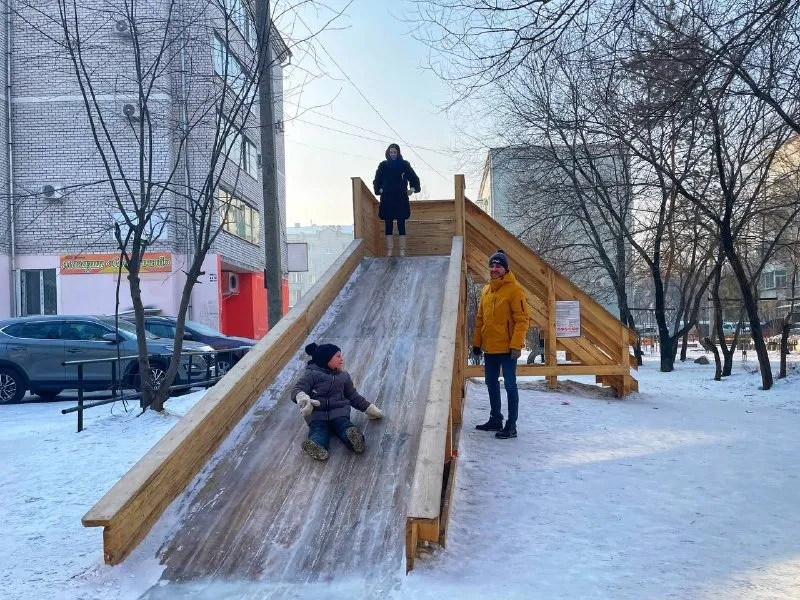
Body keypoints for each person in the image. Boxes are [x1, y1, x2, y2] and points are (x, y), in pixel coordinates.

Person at [471, 249, 529, 439]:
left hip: (507, 348)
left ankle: (511, 425)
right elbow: (480, 319)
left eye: (498, 266)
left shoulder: (515, 290)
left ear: (505, 269)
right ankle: (495, 418)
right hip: (491, 348)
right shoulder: (486, 290)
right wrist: (477, 343)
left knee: (510, 385)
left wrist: (516, 345)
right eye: (492, 265)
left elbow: (522, 319)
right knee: (490, 383)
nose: (494, 269)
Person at [291, 342, 383, 461]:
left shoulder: (343, 376)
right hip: (317, 414)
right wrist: (302, 397)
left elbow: (353, 396)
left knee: (344, 425)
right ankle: (316, 446)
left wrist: (369, 408)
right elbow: (297, 389)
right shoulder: (311, 374)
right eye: (338, 356)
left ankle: (354, 439)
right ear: (326, 359)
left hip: (339, 411)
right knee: (319, 431)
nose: (342, 359)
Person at [373, 143, 421, 257]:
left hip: (401, 198)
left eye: (395, 152)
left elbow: (414, 178)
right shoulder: (383, 166)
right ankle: (389, 251)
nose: (393, 154)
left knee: (401, 223)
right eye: (391, 152)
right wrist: (379, 190)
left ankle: (402, 250)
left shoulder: (404, 165)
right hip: (387, 198)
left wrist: (412, 189)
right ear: (388, 153)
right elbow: (377, 180)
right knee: (388, 224)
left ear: (398, 153)